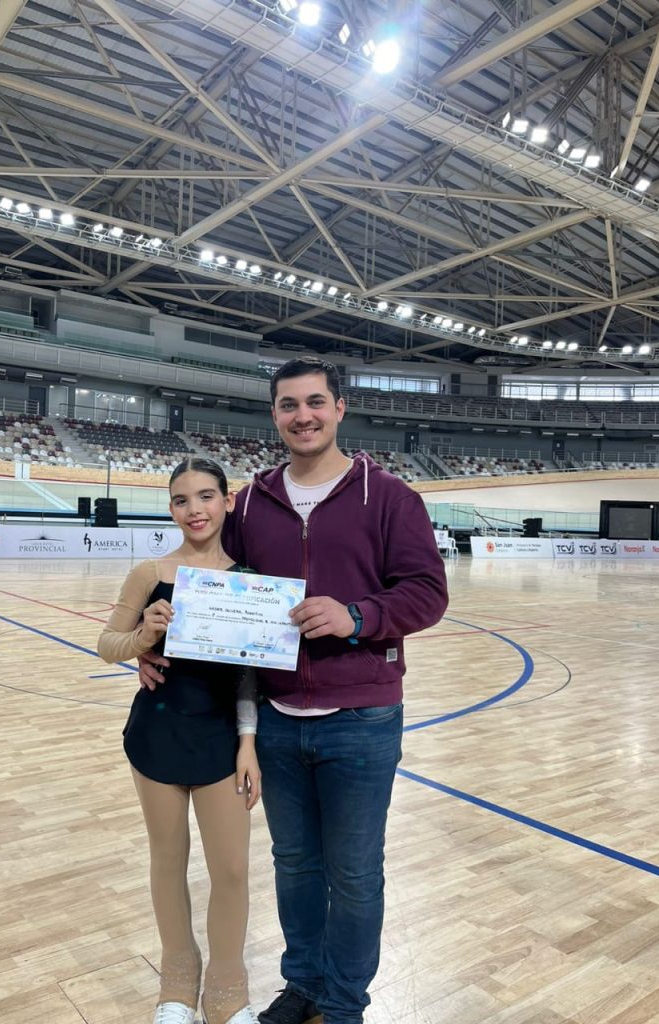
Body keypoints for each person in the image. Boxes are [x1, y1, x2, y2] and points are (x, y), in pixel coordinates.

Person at [140, 357, 449, 1024]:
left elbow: (427, 594)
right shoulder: (250, 502)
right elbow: (211, 582)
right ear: (275, 415)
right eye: (288, 405)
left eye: (314, 402)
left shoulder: (389, 498)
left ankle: (343, 1002)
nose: (302, 416)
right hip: (275, 719)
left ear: (339, 408)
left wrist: (357, 616)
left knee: (355, 872)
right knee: (295, 864)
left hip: (361, 719)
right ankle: (303, 983)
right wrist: (152, 643)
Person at [99, 457, 262, 1024]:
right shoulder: (150, 572)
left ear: (228, 501)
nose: (195, 510)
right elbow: (107, 644)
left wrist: (248, 743)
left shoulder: (249, 580)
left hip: (222, 740)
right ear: (171, 509)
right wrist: (143, 637)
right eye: (181, 500)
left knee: (232, 871)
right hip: (158, 734)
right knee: (168, 861)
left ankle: (227, 993)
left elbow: (250, 675)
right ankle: (176, 986)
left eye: (206, 496)